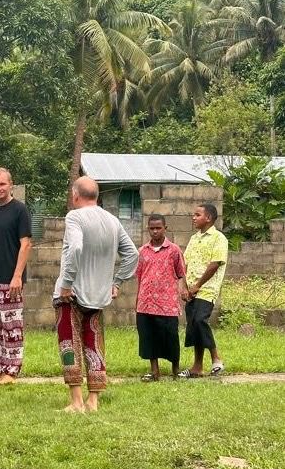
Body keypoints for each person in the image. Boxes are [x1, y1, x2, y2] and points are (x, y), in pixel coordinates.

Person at [54, 177, 138, 413]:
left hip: (73, 294)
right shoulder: (112, 220)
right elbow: (132, 254)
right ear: (97, 196)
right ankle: (93, 401)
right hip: (99, 294)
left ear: (75, 195)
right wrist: (116, 282)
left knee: (68, 342)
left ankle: (76, 401)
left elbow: (76, 247)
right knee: (94, 343)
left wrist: (67, 283)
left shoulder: (75, 217)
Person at [0, 168, 32, 384]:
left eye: (2, 184)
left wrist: (17, 275)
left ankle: (11, 371)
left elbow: (26, 243)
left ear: (11, 185)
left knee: (11, 327)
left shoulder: (20, 210)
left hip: (11, 279)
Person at [178, 203, 228, 378]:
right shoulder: (194, 239)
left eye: (197, 215)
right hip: (191, 291)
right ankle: (197, 367)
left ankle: (216, 358)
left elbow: (215, 264)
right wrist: (184, 287)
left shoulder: (219, 238)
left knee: (200, 321)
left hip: (207, 289)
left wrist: (198, 285)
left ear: (208, 218)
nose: (193, 217)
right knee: (193, 326)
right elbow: (184, 264)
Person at [135, 214, 186, 381]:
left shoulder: (174, 250)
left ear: (165, 228)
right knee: (149, 337)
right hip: (146, 303)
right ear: (148, 229)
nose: (155, 231)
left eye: (158, 228)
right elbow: (140, 276)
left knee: (171, 337)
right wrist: (138, 300)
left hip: (167, 303)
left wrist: (182, 292)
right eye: (152, 228)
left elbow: (180, 273)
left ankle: (175, 370)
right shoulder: (142, 251)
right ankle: (154, 371)